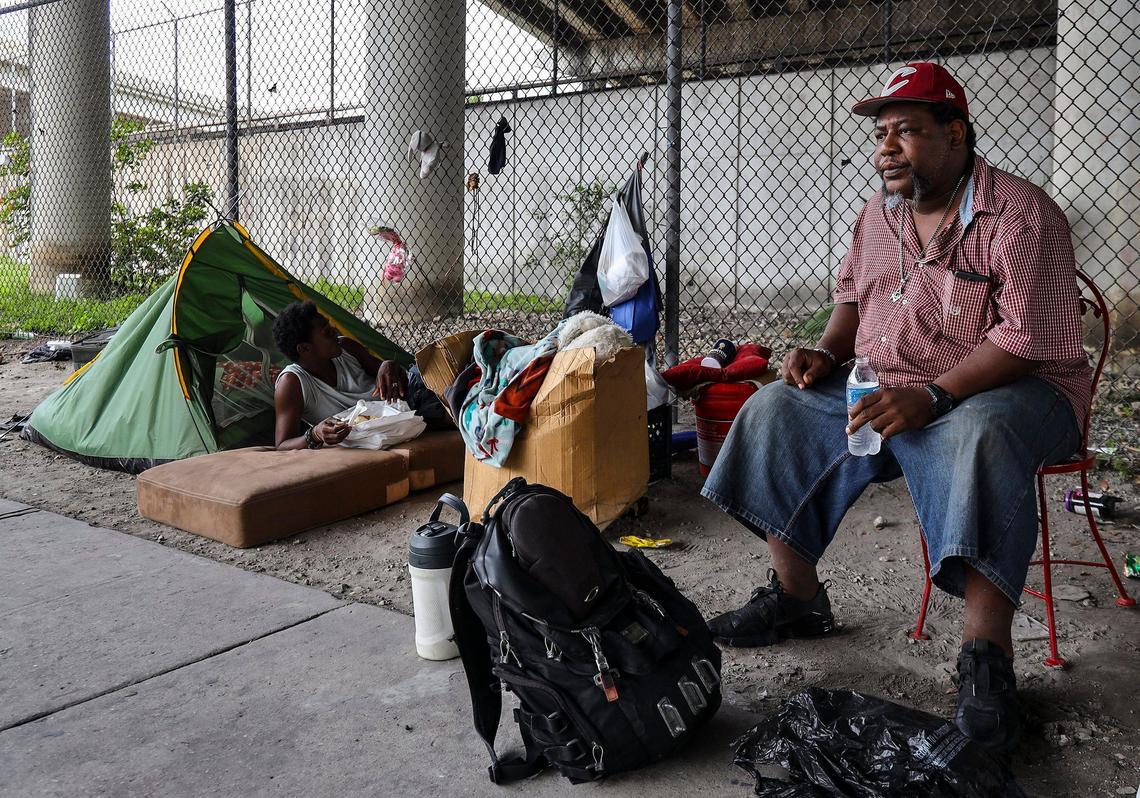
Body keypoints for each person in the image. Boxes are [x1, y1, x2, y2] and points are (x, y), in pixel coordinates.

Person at [701, 62, 1091, 752]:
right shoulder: (878, 215)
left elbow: (1028, 341)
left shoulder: (1022, 214)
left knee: (981, 434)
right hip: (891, 383)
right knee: (773, 410)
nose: (886, 147)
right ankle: (797, 599)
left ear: (956, 134)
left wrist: (935, 394)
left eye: (906, 131)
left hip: (1016, 391)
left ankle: (985, 661)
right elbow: (853, 298)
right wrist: (825, 351)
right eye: (881, 133)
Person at [271, 300, 447, 450]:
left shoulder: (346, 347)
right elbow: (283, 444)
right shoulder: (292, 383)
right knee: (456, 411)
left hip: (409, 401)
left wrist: (388, 365)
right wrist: (315, 434)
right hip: (389, 427)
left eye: (329, 326)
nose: (334, 332)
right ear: (305, 349)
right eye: (326, 332)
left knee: (446, 379)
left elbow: (399, 377)